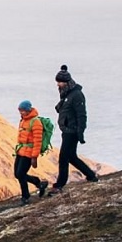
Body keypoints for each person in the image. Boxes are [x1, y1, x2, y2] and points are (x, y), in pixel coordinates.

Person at [50, 64, 98, 193]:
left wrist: (80, 132)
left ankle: (59, 184)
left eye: (59, 82)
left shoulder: (76, 95)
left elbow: (81, 115)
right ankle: (91, 176)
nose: (58, 85)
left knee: (63, 158)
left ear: (66, 82)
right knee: (71, 157)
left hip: (72, 131)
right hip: (66, 130)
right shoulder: (67, 94)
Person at [13, 100, 48, 203]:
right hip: (20, 151)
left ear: (28, 110)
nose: (21, 112)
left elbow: (38, 141)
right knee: (17, 174)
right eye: (20, 110)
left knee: (21, 174)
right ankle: (38, 182)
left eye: (23, 110)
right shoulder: (23, 120)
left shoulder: (35, 122)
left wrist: (34, 157)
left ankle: (25, 197)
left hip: (29, 153)